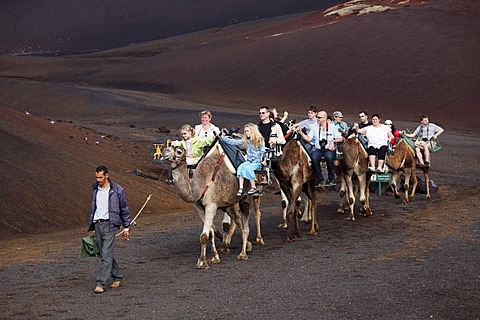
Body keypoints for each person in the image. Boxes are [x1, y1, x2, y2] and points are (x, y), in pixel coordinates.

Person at [88, 165, 131, 294]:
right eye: (96, 177)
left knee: (106, 253)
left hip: (110, 225)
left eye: (100, 177)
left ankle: (100, 283)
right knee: (104, 253)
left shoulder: (117, 190)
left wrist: (126, 227)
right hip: (98, 224)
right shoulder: (95, 190)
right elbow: (94, 209)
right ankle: (117, 276)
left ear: (107, 175)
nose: (98, 180)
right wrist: (93, 227)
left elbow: (124, 208)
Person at [296, 110, 343, 187]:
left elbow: (340, 138)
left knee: (329, 157)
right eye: (317, 117)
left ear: (324, 118)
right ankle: (320, 179)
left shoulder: (332, 127)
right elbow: (309, 139)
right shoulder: (315, 127)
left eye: (319, 118)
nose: (317, 119)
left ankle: (331, 178)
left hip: (328, 148)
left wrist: (333, 141)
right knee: (314, 158)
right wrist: (301, 133)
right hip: (318, 149)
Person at [221, 123, 265, 195]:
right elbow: (233, 142)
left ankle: (253, 187)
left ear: (252, 131)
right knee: (241, 167)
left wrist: (264, 160)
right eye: (245, 131)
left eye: (247, 131)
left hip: (258, 162)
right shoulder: (246, 141)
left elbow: (263, 151)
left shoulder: (260, 140)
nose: (246, 133)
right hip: (250, 161)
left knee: (248, 168)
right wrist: (224, 138)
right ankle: (241, 188)